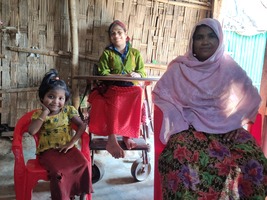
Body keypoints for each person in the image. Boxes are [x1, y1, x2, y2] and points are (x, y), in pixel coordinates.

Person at [152, 18, 267, 199]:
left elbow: (251, 97)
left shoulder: (229, 68)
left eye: (211, 36)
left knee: (255, 160)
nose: (205, 41)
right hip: (190, 129)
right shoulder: (180, 69)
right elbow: (161, 95)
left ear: (219, 39)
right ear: (192, 42)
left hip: (228, 131)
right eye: (199, 37)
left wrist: (234, 122)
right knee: (176, 159)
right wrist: (180, 119)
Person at [28, 69, 92, 200]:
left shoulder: (68, 111)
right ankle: (62, 197)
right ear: (42, 97)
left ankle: (81, 196)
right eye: (51, 96)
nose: (55, 101)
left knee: (84, 164)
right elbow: (32, 131)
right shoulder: (39, 114)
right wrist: (44, 113)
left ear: (65, 99)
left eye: (61, 98)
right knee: (59, 172)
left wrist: (71, 143)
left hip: (67, 148)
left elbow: (82, 125)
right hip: (48, 152)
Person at [88, 20, 146, 159]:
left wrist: (137, 75)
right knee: (116, 97)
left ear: (126, 35)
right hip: (112, 87)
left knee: (139, 92)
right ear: (110, 37)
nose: (116, 35)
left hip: (130, 89)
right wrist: (121, 76)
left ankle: (128, 135)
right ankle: (112, 139)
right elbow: (102, 73)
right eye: (113, 33)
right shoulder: (107, 53)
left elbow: (142, 73)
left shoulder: (135, 53)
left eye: (119, 32)